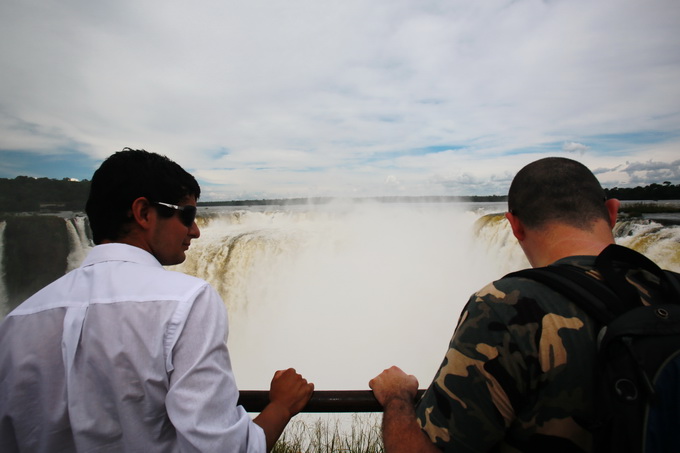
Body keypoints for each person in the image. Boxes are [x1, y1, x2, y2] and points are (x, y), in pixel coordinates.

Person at [0, 148, 314, 452]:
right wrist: (281, 407)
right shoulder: (187, 301)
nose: (195, 231)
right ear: (143, 213)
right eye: (187, 215)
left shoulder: (17, 322)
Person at [369, 157, 675, 452]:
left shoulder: (507, 307)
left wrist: (398, 398)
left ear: (514, 226)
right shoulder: (671, 288)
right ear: (612, 213)